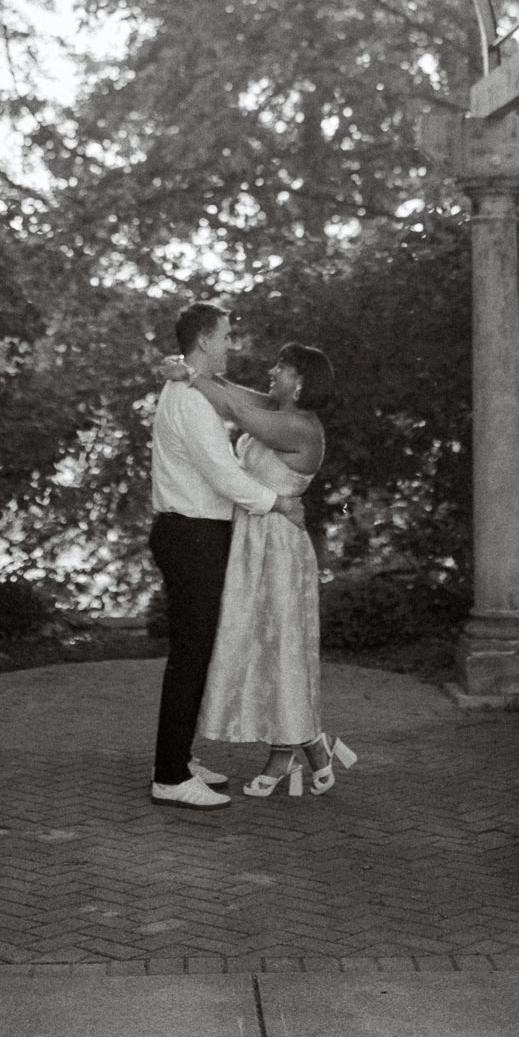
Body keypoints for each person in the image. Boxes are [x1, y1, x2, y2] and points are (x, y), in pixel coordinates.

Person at [163, 340, 356, 799]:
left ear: (303, 381)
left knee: (283, 648)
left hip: (279, 550)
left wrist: (190, 378)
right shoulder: (276, 408)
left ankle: (296, 747)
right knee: (260, 648)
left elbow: (234, 409)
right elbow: (231, 389)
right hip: (252, 544)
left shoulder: (300, 429)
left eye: (283, 368)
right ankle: (303, 746)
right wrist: (190, 367)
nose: (273, 371)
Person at [149, 301, 308, 808]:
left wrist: (194, 375)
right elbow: (224, 476)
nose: (230, 344)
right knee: (190, 656)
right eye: (224, 336)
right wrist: (279, 503)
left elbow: (247, 403)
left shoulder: (193, 390)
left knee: (196, 652)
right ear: (202, 340)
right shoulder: (191, 400)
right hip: (191, 534)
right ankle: (170, 776)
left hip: (194, 533)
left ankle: (179, 757)